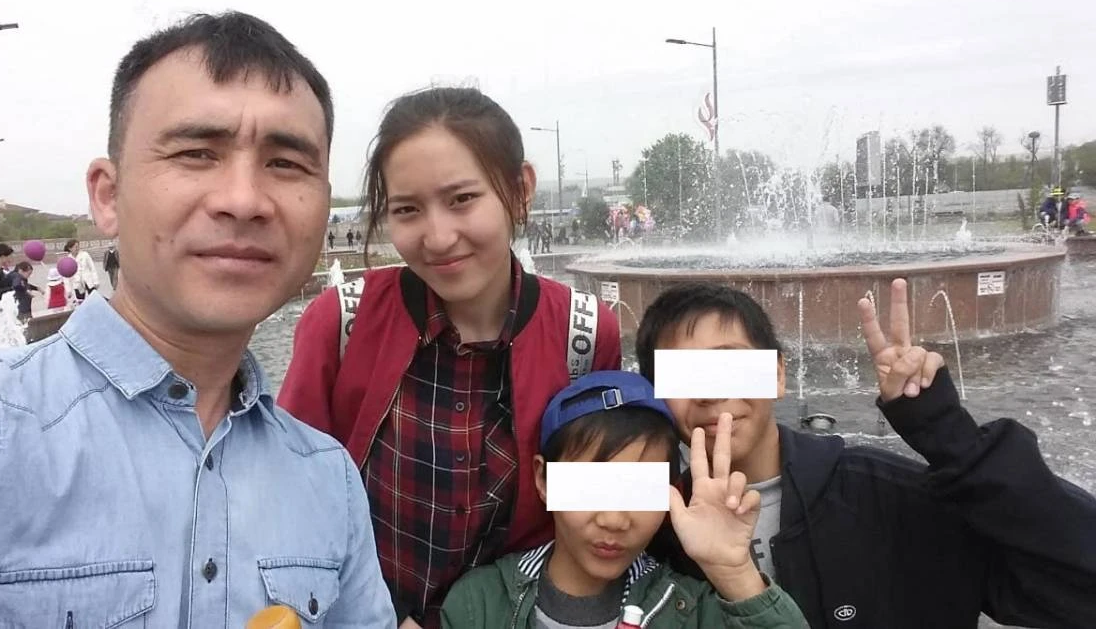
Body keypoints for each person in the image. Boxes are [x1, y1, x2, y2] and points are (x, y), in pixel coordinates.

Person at [0, 11, 393, 628]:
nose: (244, 200)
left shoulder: (328, 480)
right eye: (196, 153)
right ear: (107, 195)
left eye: (286, 164)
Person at [277, 86, 622, 628]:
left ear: (520, 190)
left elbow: (592, 509)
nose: (437, 238)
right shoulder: (342, 322)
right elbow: (290, 495)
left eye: (462, 199)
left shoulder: (586, 335)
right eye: (407, 210)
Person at [637, 281, 1096, 628]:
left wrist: (945, 432)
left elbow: (1078, 582)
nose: (708, 393)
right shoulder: (651, 532)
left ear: (777, 375)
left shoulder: (886, 498)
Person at [440, 370, 808, 628]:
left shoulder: (689, 611)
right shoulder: (479, 605)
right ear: (544, 479)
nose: (614, 520)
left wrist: (734, 573)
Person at [62, 239, 101, 303]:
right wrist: (68, 290)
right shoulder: (68, 260)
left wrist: (96, 281)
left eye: (78, 246)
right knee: (80, 302)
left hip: (88, 280)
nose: (77, 248)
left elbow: (92, 268)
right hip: (77, 282)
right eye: (75, 247)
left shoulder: (85, 255)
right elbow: (66, 276)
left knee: (94, 299)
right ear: (70, 248)